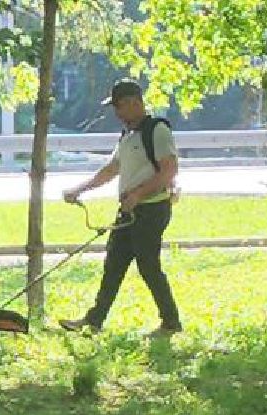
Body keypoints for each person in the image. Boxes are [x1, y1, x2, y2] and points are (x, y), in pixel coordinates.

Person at [59, 80, 183, 337]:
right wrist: (79, 190)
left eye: (118, 106)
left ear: (134, 103)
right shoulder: (127, 135)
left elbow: (169, 169)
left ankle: (171, 323)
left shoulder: (156, 130)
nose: (116, 113)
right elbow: (110, 170)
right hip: (129, 211)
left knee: (148, 265)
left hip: (151, 209)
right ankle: (94, 321)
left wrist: (138, 194)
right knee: (114, 263)